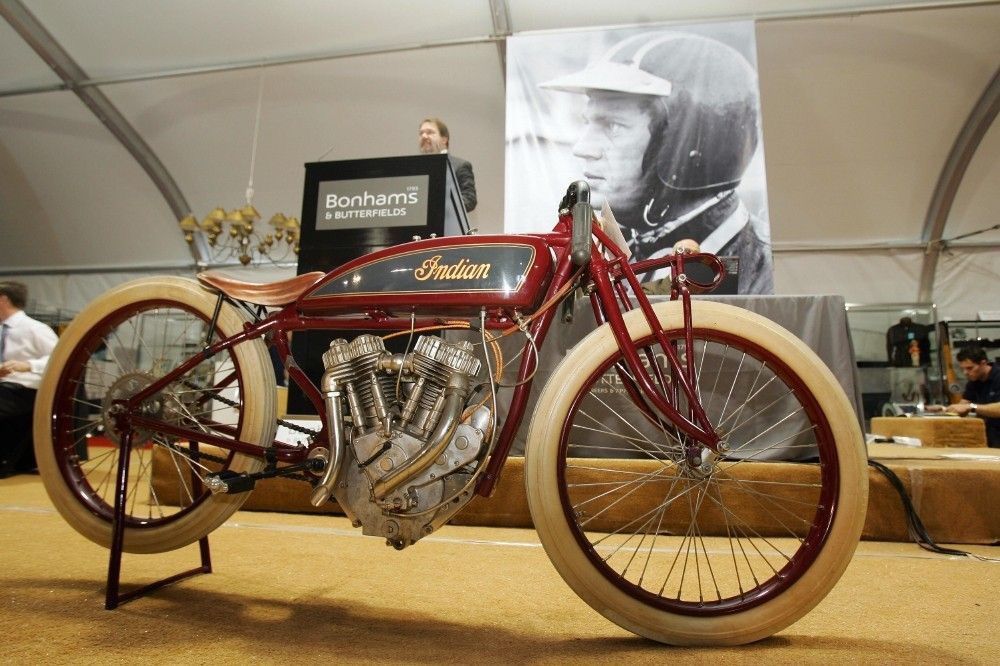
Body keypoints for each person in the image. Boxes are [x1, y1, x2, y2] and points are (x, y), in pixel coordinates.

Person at [540, 31, 773, 293]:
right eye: (588, 122)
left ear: (689, 145)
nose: (582, 148)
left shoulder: (756, 276)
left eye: (613, 126)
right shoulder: (616, 253)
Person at [0, 281, 59, 476]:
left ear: (4, 299)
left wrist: (29, 365)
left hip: (27, 389)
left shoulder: (35, 328)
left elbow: (58, 356)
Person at [943, 346, 1000, 447]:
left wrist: (972, 407)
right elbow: (963, 405)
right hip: (988, 438)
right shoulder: (974, 382)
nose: (965, 373)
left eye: (970, 368)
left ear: (983, 363)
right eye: (963, 369)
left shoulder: (998, 377)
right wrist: (945, 410)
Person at [418, 117, 477, 213]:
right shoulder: (414, 168)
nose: (424, 136)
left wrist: (438, 206)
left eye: (429, 132)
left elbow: (469, 199)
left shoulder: (460, 166)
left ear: (444, 140)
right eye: (421, 133)